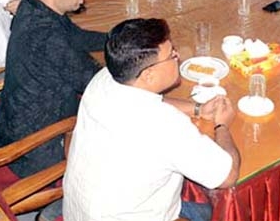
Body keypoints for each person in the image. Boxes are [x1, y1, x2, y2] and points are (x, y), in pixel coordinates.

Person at [64, 18, 240, 221]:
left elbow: (156, 101)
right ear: (148, 74)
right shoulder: (164, 125)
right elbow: (228, 176)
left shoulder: (105, 78)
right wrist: (222, 125)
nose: (178, 56)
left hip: (85, 211)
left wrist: (198, 108)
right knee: (215, 211)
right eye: (171, 55)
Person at [0, 0, 106, 178]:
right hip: (38, 148)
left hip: (17, 122)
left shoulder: (33, 5)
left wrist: (119, 39)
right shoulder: (46, 37)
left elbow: (76, 36)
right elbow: (98, 85)